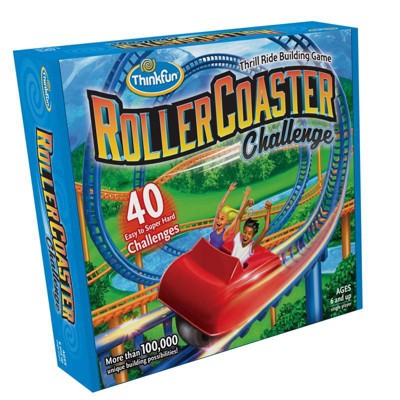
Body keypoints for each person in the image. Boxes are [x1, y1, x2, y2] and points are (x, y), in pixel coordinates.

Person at [209, 183, 251, 250]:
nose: (218, 220)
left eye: (222, 219)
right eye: (218, 217)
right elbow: (219, 206)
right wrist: (229, 191)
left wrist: (245, 197)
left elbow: (239, 215)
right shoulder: (215, 227)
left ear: (226, 221)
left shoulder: (225, 233)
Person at [231, 199, 272, 265]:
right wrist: (246, 204)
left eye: (249, 234)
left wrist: (268, 209)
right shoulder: (237, 241)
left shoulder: (250, 248)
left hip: (237, 269)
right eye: (245, 232)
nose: (246, 235)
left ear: (253, 236)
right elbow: (238, 219)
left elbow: (266, 229)